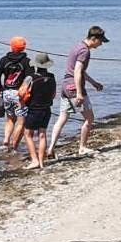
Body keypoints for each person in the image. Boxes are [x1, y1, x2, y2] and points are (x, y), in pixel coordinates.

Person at [50, 26, 107, 157]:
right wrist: (80, 92)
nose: (101, 44)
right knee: (89, 118)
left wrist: (93, 83)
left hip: (65, 86)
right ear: (93, 38)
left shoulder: (77, 47)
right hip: (74, 88)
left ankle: (51, 149)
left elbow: (80, 71)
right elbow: (77, 71)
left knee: (62, 118)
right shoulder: (84, 51)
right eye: (100, 41)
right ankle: (82, 147)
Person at [0, 36, 32, 151]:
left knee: (10, 118)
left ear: (11, 46)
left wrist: (0, 88)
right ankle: (14, 147)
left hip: (7, 92)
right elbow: (29, 78)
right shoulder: (27, 61)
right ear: (24, 47)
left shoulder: (4, 60)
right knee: (21, 121)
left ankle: (6, 140)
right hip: (20, 94)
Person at [20, 52, 58, 168]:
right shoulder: (52, 77)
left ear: (36, 65)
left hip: (33, 110)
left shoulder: (31, 77)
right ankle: (41, 162)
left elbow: (21, 92)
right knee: (42, 134)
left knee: (28, 134)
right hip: (47, 109)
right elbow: (53, 94)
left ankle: (34, 160)